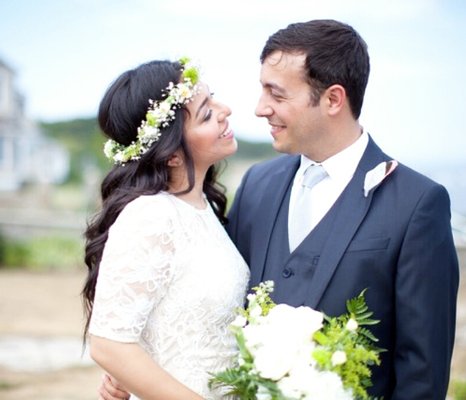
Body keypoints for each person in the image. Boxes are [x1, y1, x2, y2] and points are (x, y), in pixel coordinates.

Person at [101, 19, 459, 399]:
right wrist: (135, 367)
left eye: (277, 94)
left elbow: (423, 372)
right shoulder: (258, 184)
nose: (258, 109)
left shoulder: (418, 204)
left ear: (333, 99)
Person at [82, 58, 250, 400]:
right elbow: (108, 344)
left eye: (213, 98)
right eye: (205, 114)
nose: (225, 110)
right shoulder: (152, 215)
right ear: (172, 154)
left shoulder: (204, 210)